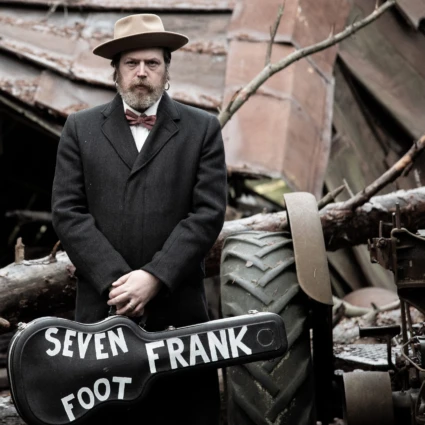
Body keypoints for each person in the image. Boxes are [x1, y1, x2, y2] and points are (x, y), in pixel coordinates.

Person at [51, 13, 227, 425]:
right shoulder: (79, 128)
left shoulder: (202, 129)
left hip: (179, 317)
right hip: (102, 314)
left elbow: (207, 214)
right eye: (132, 63)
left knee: (181, 415)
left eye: (152, 63)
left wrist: (154, 277)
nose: (142, 73)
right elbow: (67, 213)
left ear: (167, 70)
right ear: (116, 71)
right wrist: (118, 284)